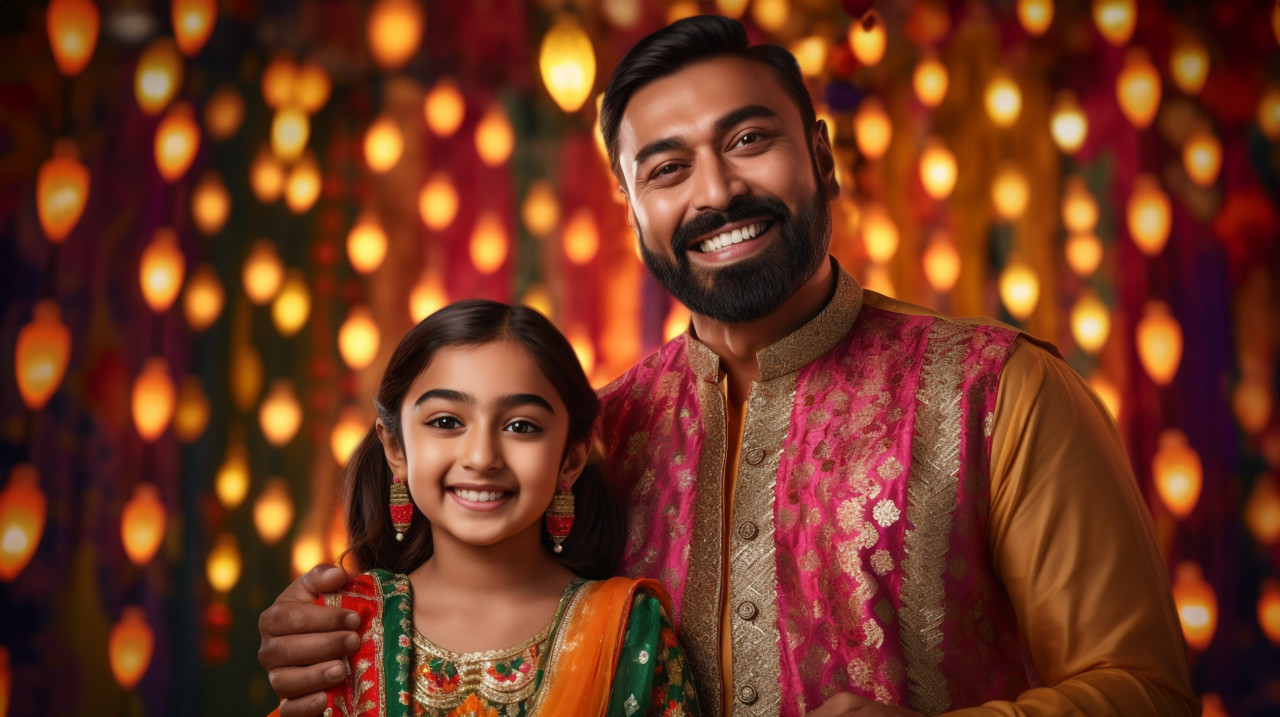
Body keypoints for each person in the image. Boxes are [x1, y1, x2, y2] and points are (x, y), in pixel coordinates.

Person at [259, 15, 1198, 717]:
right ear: (633, 211)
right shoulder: (599, 433)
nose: (717, 191)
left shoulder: (999, 393)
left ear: (820, 155)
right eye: (667, 169)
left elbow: (1147, 690)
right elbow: (474, 606)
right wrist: (331, 620)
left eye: (750, 140)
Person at [274, 299, 700, 717]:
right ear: (395, 449)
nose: (481, 457)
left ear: (571, 458)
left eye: (521, 426)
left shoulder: (627, 630)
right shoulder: (346, 624)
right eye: (446, 422)